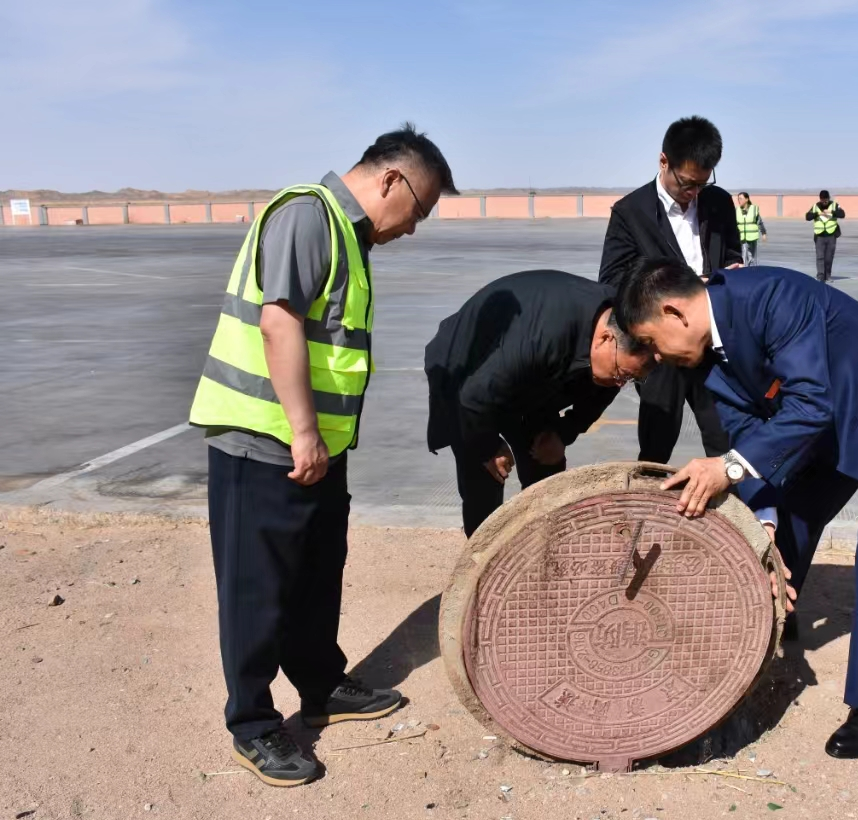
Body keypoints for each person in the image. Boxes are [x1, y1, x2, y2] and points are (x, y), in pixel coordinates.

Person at [188, 123, 457, 788]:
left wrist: (322, 443)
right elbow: (278, 322)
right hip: (266, 444)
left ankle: (320, 686)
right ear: (391, 180)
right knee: (258, 590)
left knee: (315, 576)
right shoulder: (309, 215)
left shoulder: (349, 234)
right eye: (418, 210)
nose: (413, 227)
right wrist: (303, 431)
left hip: (317, 451)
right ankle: (252, 724)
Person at [613, 259, 858, 761]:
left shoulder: (773, 296)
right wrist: (765, 527)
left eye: (650, 340)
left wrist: (727, 468)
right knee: (788, 514)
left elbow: (807, 405)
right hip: (832, 413)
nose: (655, 356)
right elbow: (750, 441)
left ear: (673, 312)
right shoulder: (705, 359)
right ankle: (773, 613)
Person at [425, 270, 654, 536]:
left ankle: (542, 551)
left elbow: (604, 389)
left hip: (533, 381)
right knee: (485, 475)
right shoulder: (542, 339)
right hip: (467, 371)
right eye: (620, 374)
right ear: (605, 338)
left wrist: (563, 432)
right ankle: (480, 562)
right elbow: (472, 398)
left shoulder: (623, 324)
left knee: (547, 464)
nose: (620, 383)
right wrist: (487, 447)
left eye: (629, 378)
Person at [599, 116, 742, 465]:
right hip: (660, 351)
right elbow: (611, 280)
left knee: (725, 441)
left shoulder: (718, 203)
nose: (693, 193)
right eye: (687, 183)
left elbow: (734, 255)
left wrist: (733, 276)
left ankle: (731, 516)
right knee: (656, 445)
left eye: (701, 184)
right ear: (664, 162)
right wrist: (682, 289)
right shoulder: (630, 212)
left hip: (711, 343)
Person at [805, 190, 845, 281]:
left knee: (828, 257)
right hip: (819, 236)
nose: (824, 202)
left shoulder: (834, 205)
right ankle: (820, 276)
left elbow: (842, 214)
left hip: (831, 235)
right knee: (820, 257)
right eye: (822, 200)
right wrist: (817, 214)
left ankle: (828, 275)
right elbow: (807, 217)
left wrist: (831, 212)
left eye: (825, 200)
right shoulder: (816, 206)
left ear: (828, 198)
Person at [735, 192, 767, 265]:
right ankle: (744, 270)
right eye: (738, 199)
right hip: (742, 237)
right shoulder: (737, 210)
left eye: (740, 199)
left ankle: (753, 270)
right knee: (743, 255)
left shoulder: (754, 210)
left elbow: (759, 222)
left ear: (746, 199)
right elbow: (734, 224)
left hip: (752, 237)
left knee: (752, 256)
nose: (739, 200)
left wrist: (763, 233)